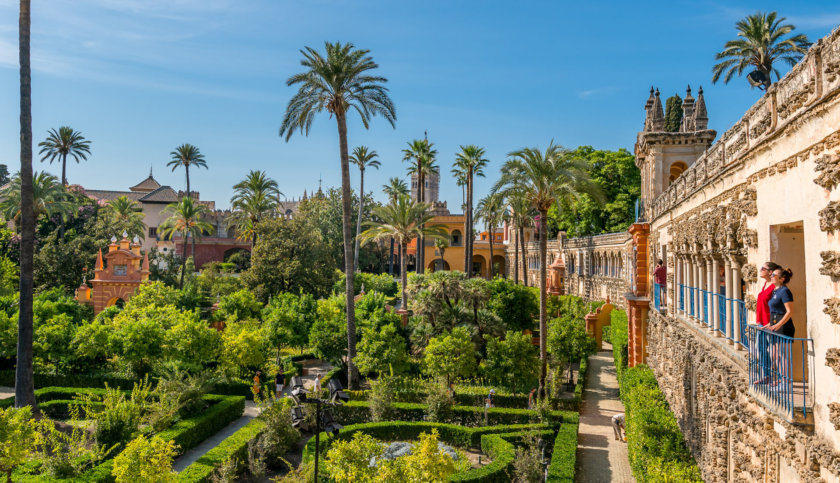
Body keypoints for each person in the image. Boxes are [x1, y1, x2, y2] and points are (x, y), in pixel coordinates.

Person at [767, 267, 795, 387]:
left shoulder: (785, 291)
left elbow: (789, 312)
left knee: (782, 355)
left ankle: (786, 382)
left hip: (784, 327)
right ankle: (782, 378)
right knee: (773, 353)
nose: (771, 276)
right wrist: (768, 325)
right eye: (771, 274)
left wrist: (777, 325)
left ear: (782, 279)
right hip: (775, 324)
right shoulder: (775, 290)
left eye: (774, 275)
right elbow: (775, 311)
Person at [754, 261, 781, 384]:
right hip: (761, 323)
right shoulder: (765, 284)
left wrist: (772, 322)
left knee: (776, 352)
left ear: (770, 272)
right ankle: (766, 376)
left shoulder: (773, 287)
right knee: (762, 350)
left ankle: (781, 378)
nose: (760, 270)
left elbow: (777, 306)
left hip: (769, 324)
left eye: (762, 268)